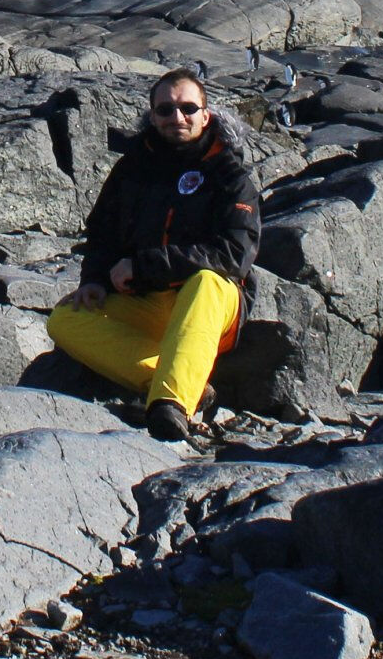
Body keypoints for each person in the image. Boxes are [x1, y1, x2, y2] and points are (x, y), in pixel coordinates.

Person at [47, 70, 261, 443]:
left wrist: (145, 267)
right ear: (152, 115)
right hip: (146, 303)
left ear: (206, 115)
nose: (177, 117)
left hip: (210, 309)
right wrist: (94, 281)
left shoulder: (230, 175)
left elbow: (234, 253)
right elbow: (102, 234)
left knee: (207, 280)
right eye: (166, 109)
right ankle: (177, 379)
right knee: (66, 319)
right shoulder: (133, 168)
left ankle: (171, 404)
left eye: (188, 108)